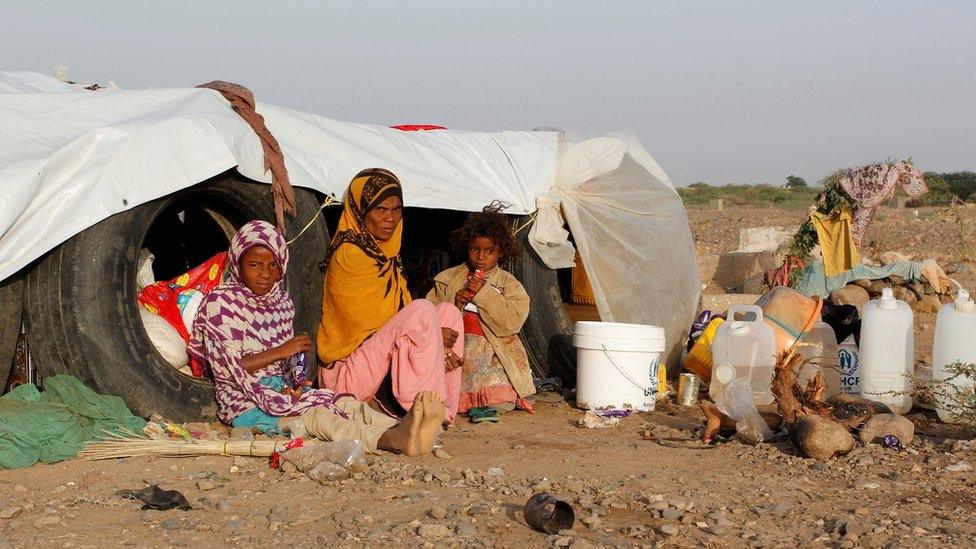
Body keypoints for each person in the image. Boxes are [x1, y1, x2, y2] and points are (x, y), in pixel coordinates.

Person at [188, 220, 444, 456]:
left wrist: (293, 380)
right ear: (237, 264)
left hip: (278, 390)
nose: (265, 274)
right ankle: (391, 439)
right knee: (319, 419)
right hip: (245, 404)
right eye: (254, 265)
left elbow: (283, 366)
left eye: (273, 265)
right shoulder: (220, 304)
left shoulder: (279, 302)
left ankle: (411, 427)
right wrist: (283, 350)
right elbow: (230, 367)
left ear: (282, 267)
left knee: (343, 403)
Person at [317, 168, 464, 422]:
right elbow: (371, 326)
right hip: (348, 376)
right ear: (361, 211)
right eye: (381, 210)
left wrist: (437, 342)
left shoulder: (386, 253)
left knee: (448, 313)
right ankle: (416, 410)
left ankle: (440, 409)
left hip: (380, 364)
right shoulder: (349, 254)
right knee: (422, 312)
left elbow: (398, 318)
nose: (390, 218)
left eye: (396, 209)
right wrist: (433, 339)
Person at [426, 205, 535, 415]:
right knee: (444, 397)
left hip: (493, 355)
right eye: (475, 249)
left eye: (489, 251)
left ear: (501, 251)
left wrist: (485, 293)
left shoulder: (509, 284)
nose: (480, 257)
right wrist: (454, 302)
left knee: (500, 401)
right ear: (466, 246)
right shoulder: (448, 279)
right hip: (457, 352)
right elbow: (428, 314)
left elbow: (512, 323)